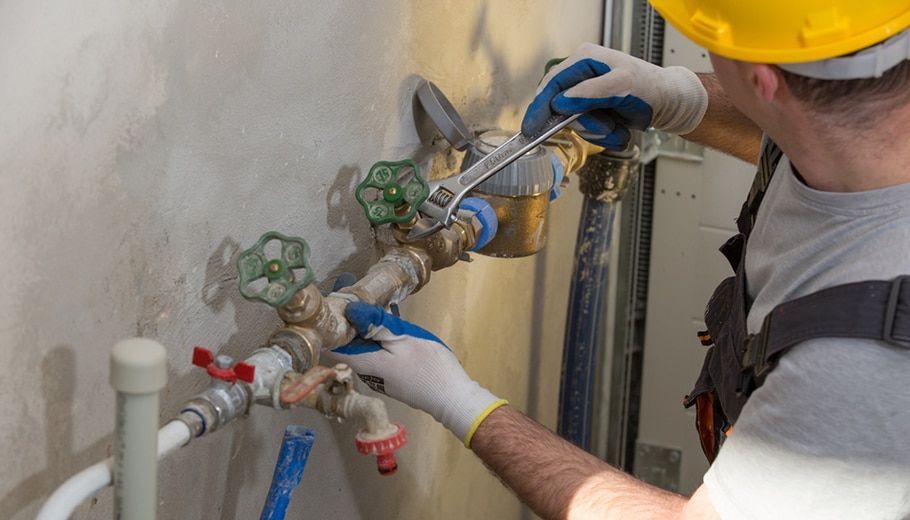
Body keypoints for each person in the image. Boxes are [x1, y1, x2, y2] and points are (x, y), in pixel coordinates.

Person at [325, 2, 910, 518]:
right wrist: (677, 97)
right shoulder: (872, 110)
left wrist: (457, 400)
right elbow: (806, 122)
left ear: (762, 78)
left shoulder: (864, 359)